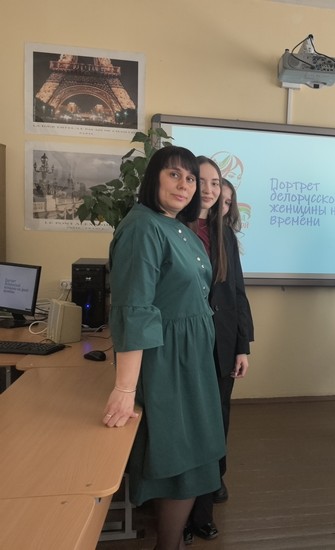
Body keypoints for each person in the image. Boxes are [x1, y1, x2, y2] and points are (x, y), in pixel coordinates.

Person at [102, 146, 225, 550]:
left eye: (190, 178)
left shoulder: (177, 226)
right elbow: (135, 309)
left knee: (193, 452)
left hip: (192, 358)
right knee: (177, 454)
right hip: (167, 358)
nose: (184, 185)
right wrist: (125, 388)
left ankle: (171, 543)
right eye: (174, 175)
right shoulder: (142, 227)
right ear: (153, 177)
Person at [185, 160, 255, 544]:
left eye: (216, 183)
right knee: (188, 426)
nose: (210, 190)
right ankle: (180, 509)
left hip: (221, 344)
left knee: (216, 422)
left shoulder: (223, 233)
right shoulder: (172, 228)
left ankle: (203, 507)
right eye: (202, 181)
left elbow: (237, 292)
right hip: (184, 345)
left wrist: (243, 346)